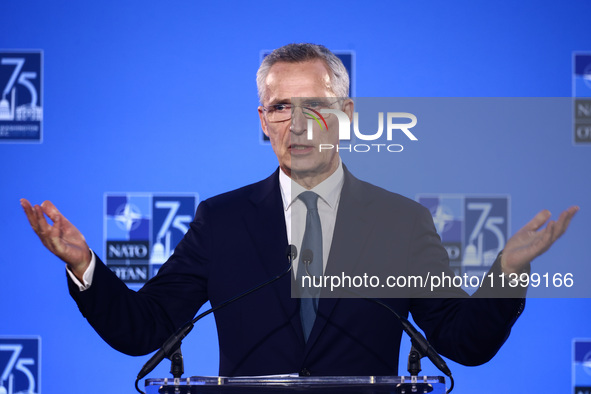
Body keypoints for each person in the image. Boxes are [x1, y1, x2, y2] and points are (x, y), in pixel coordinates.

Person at [21, 43, 578, 377]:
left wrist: (508, 271)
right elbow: (145, 329)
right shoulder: (223, 220)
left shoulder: (400, 221)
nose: (298, 122)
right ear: (263, 121)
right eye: (282, 106)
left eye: (316, 104)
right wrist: (84, 264)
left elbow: (463, 343)